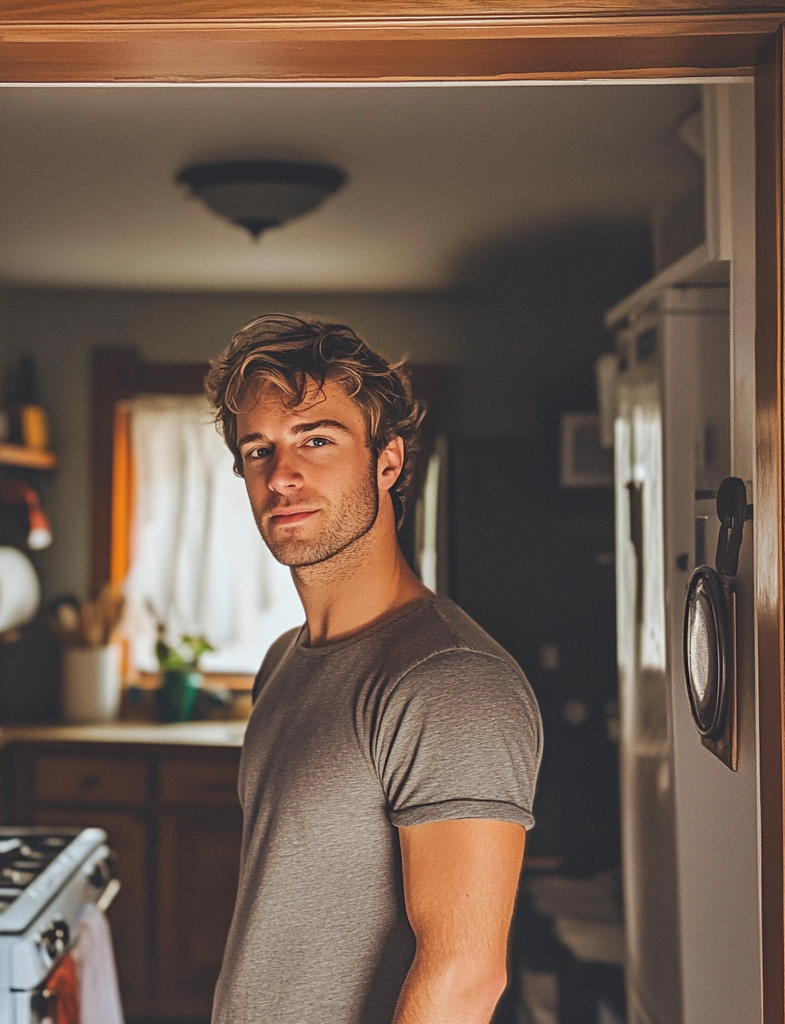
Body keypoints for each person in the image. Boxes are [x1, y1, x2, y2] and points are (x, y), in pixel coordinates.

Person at [204, 313, 543, 1024]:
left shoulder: (449, 680)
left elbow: (464, 977)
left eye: (316, 440)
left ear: (386, 461)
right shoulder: (285, 661)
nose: (283, 475)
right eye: (258, 449)